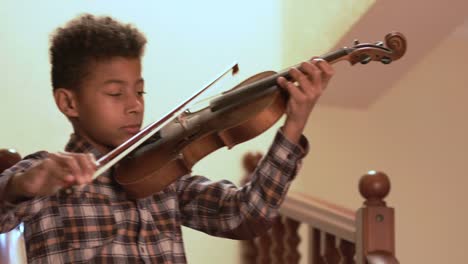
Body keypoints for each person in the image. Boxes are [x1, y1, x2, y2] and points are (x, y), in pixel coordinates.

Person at [0, 14, 334, 263]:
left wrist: (294, 122)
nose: (135, 105)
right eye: (116, 93)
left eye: (140, 91)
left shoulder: (164, 177)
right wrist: (22, 185)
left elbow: (246, 215)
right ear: (69, 102)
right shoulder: (46, 178)